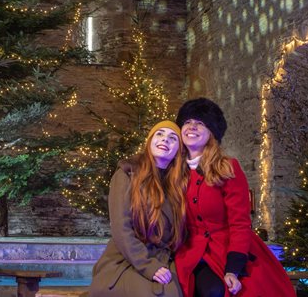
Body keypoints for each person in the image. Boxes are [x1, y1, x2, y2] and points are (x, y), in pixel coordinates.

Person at [173, 98, 296, 297]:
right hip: (189, 252)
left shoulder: (228, 168)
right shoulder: (174, 172)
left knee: (219, 291)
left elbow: (240, 223)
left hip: (226, 250)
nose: (192, 126)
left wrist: (233, 268)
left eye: (201, 123)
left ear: (212, 133)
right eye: (187, 122)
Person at [89, 120, 189, 296]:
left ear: (178, 151)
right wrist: (147, 265)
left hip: (163, 259)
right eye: (159, 134)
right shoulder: (127, 174)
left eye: (173, 138)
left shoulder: (178, 186)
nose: (165, 140)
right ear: (149, 141)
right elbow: (121, 228)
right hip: (128, 259)